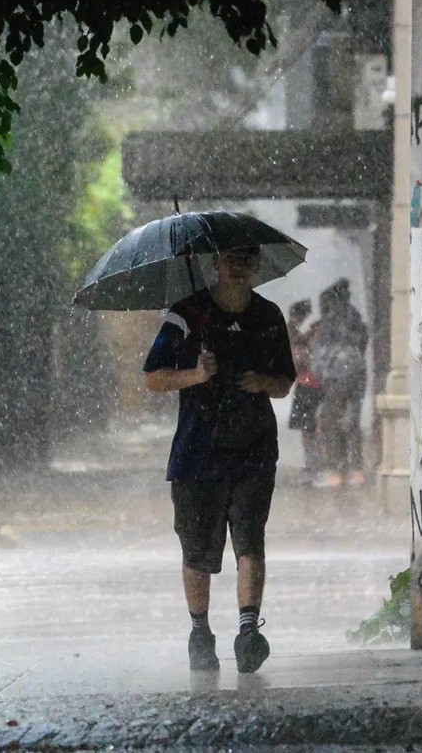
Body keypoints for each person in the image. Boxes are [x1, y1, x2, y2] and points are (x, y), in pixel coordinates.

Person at [142, 246, 296, 674]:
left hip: (254, 448)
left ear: (256, 263)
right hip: (197, 452)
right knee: (197, 550)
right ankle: (200, 632)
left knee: (251, 538)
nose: (238, 264)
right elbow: (153, 377)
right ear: (215, 263)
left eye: (245, 258)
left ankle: (249, 633)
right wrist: (196, 374)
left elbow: (285, 382)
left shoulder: (268, 316)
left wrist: (262, 381)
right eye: (230, 257)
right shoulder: (186, 315)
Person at [310, 278, 369, 487]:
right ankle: (357, 469)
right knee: (352, 420)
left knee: (331, 421)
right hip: (358, 373)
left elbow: (322, 351)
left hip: (338, 375)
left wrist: (319, 372)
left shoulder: (331, 320)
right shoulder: (355, 317)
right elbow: (362, 342)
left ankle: (337, 469)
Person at [285, 300, 325, 486]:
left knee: (309, 427)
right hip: (310, 383)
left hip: (308, 384)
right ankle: (313, 464)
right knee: (310, 427)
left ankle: (313, 465)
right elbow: (297, 355)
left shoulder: (296, 332)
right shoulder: (291, 332)